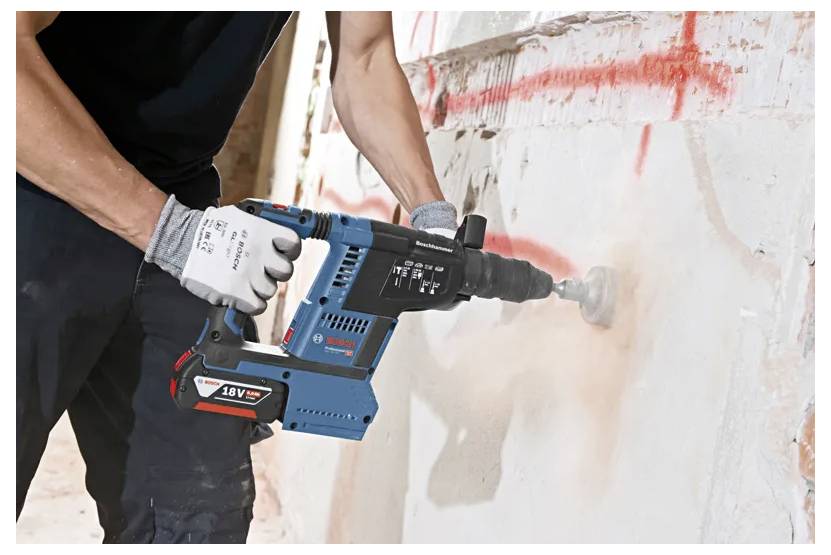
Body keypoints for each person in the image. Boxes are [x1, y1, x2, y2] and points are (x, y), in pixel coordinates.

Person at [16, 11, 457, 543]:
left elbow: (364, 58)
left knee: (198, 515)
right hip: (33, 181)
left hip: (179, 199)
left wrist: (431, 214)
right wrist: (175, 235)